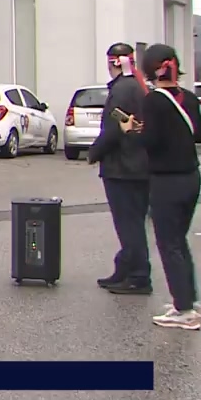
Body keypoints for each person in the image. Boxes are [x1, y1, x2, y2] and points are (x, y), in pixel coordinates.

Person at [130, 44, 201, 330]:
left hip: (166, 180)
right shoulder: (190, 99)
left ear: (151, 69)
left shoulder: (154, 101)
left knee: (168, 243)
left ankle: (183, 309)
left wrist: (134, 131)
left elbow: (151, 143)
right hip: (191, 178)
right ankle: (188, 298)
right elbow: (198, 135)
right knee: (180, 241)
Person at [87, 43, 152, 295]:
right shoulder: (136, 86)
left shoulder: (123, 90)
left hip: (124, 167)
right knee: (132, 222)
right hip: (136, 165)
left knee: (129, 224)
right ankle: (125, 268)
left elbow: (114, 128)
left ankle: (138, 275)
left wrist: (95, 152)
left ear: (112, 62)